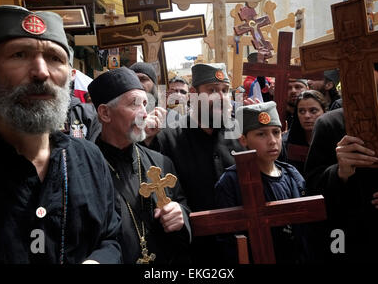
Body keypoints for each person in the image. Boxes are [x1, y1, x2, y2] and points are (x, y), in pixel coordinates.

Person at [0, 5, 122, 264]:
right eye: (19, 55)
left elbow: (110, 239)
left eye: (54, 58)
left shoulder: (90, 159)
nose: (41, 72)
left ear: (69, 77)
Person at [305, 59, 378, 263]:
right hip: (352, 243)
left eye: (358, 68)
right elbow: (312, 190)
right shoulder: (329, 124)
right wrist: (340, 172)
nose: (349, 78)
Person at [88, 67, 191, 264]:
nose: (145, 114)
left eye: (146, 104)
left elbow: (181, 203)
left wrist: (181, 215)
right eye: (135, 105)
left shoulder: (161, 162)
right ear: (105, 113)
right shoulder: (86, 168)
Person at [146, 63, 246, 263]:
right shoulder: (168, 138)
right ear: (193, 94)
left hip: (240, 246)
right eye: (212, 91)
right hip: (192, 252)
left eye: (225, 91)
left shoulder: (242, 133)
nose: (221, 98)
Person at [215, 102, 309, 263]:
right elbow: (228, 240)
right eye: (261, 134)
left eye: (276, 132)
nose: (272, 141)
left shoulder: (292, 175)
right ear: (243, 139)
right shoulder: (232, 181)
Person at [114, 21, 195, 82]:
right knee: (148, 80)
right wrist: (120, 35)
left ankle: (159, 98)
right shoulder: (145, 36)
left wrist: (186, 26)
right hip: (148, 62)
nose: (146, 33)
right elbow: (133, 37)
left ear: (150, 29)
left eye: (147, 31)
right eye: (145, 32)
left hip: (156, 61)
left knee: (158, 81)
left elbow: (173, 32)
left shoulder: (160, 34)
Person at [280, 90, 328, 175]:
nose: (307, 116)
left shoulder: (335, 140)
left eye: (313, 111)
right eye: (301, 111)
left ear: (324, 111)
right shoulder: (285, 142)